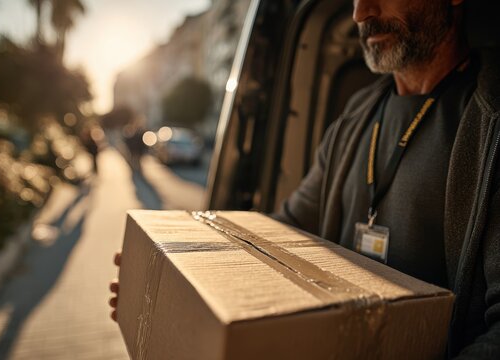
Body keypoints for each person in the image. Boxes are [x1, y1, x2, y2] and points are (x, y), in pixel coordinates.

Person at [110, 0, 500, 358]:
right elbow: (284, 230)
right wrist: (168, 282)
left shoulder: (490, 122)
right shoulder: (356, 117)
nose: (361, 12)